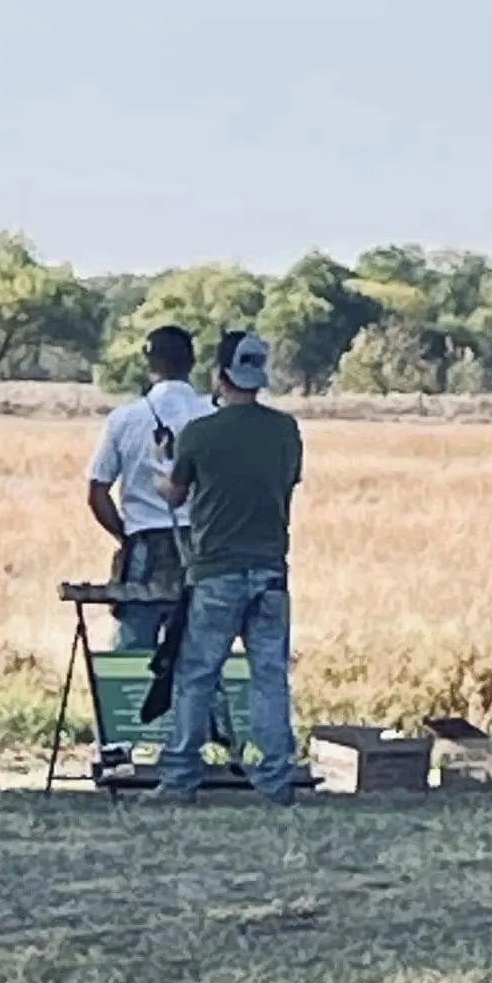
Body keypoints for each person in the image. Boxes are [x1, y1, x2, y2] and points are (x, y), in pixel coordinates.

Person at [154, 329, 303, 805]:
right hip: (271, 572)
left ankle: (180, 779)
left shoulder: (199, 433)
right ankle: (276, 782)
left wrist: (163, 468)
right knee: (269, 677)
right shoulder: (285, 430)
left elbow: (175, 493)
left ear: (220, 375)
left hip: (216, 570)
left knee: (197, 674)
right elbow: (286, 483)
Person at [87, 325, 214, 651]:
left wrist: (125, 536)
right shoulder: (213, 416)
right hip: (202, 545)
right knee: (199, 645)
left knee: (133, 646)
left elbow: (98, 491)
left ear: (150, 361)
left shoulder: (124, 419)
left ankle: (126, 701)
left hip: (144, 543)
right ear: (192, 362)